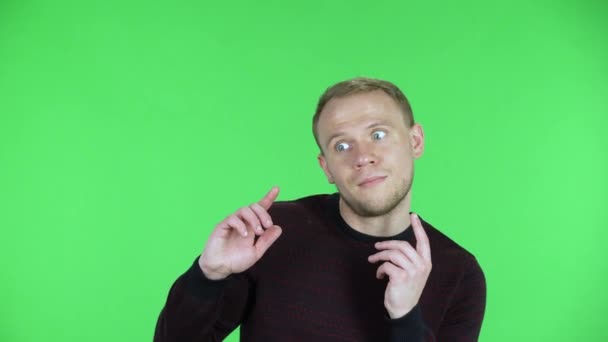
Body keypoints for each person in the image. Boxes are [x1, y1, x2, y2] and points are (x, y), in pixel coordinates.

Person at [153, 77, 486, 341]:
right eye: (342, 145)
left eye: (379, 134)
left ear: (415, 141)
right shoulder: (271, 234)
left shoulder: (460, 273)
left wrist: (405, 317)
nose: (362, 156)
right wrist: (208, 277)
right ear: (326, 167)